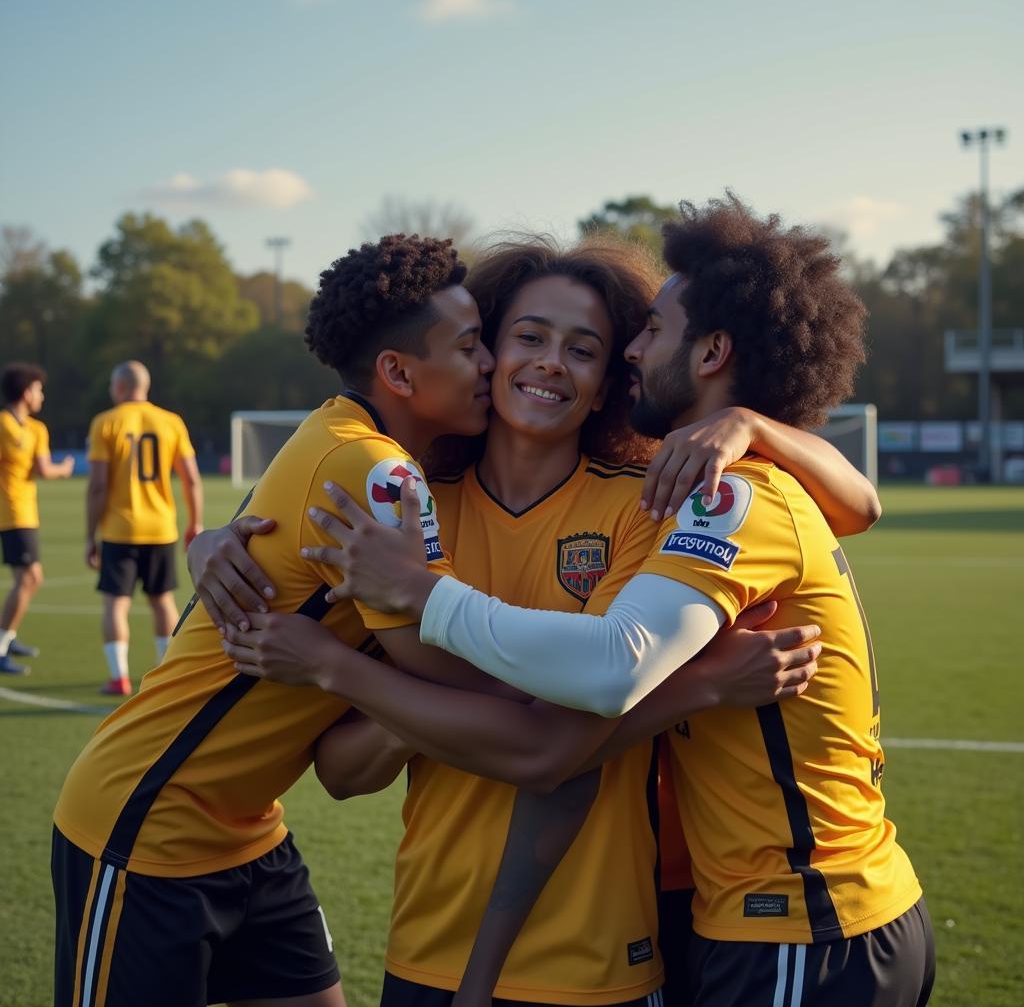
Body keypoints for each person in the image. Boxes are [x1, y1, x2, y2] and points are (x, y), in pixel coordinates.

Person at [277, 197, 933, 1007]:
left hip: (610, 957)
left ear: (607, 384)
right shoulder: (410, 510)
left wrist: (745, 422)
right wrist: (231, 555)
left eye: (587, 349)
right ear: (483, 355)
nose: (553, 362)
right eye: (527, 336)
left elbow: (568, 741)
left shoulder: (655, 506)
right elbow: (342, 772)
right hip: (427, 944)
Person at [52, 234, 498, 1007]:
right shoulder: (377, 469)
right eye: (470, 347)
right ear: (397, 371)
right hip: (144, 823)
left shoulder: (346, 435)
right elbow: (436, 667)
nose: (490, 363)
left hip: (249, 829)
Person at [85, 360, 204, 695]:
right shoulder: (171, 422)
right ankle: (167, 674)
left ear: (120, 387)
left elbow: (97, 486)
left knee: (115, 603)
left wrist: (89, 535)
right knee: (163, 600)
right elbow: (191, 479)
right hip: (161, 527)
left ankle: (118, 677)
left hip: (119, 529)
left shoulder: (105, 423)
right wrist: (194, 522)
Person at [0, 362, 74, 675]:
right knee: (29, 577)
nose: (41, 395)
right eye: (38, 389)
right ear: (26, 391)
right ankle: (2, 644)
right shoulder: (3, 423)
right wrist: (64, 469)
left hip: (26, 511)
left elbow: (41, 468)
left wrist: (62, 469)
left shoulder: (36, 428)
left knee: (31, 578)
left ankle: (7, 635)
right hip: (10, 511)